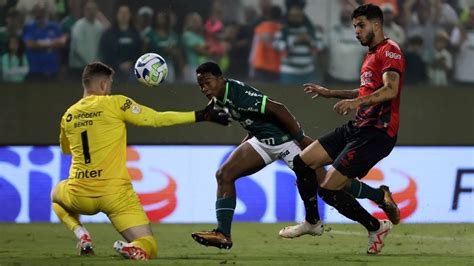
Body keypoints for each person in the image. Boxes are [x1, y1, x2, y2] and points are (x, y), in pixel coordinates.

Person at [190, 61, 397, 249]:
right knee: (224, 174)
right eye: (201, 85)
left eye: (207, 83)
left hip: (287, 142)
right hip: (262, 141)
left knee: (333, 183)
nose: (204, 89)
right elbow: (252, 121)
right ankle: (223, 234)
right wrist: (244, 146)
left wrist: (301, 139)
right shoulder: (218, 100)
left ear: (220, 79)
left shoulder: (237, 93)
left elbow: (279, 109)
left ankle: (379, 196)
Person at [50, 61, 230, 260]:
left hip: (79, 193)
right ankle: (134, 247)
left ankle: (81, 234)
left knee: (55, 195)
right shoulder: (115, 103)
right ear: (102, 85)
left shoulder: (68, 115)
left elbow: (66, 149)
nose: (109, 89)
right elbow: (155, 119)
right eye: (109, 84)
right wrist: (201, 115)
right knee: (149, 245)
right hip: (116, 196)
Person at [295, 4, 404, 255]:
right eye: (354, 26)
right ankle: (313, 222)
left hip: (376, 132)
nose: (356, 31)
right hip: (357, 126)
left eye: (361, 25)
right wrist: (331, 93)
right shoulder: (370, 55)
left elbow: (390, 90)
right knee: (303, 162)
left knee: (328, 189)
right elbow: (367, 91)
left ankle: (376, 226)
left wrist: (355, 103)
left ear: (376, 25)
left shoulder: (391, 51)